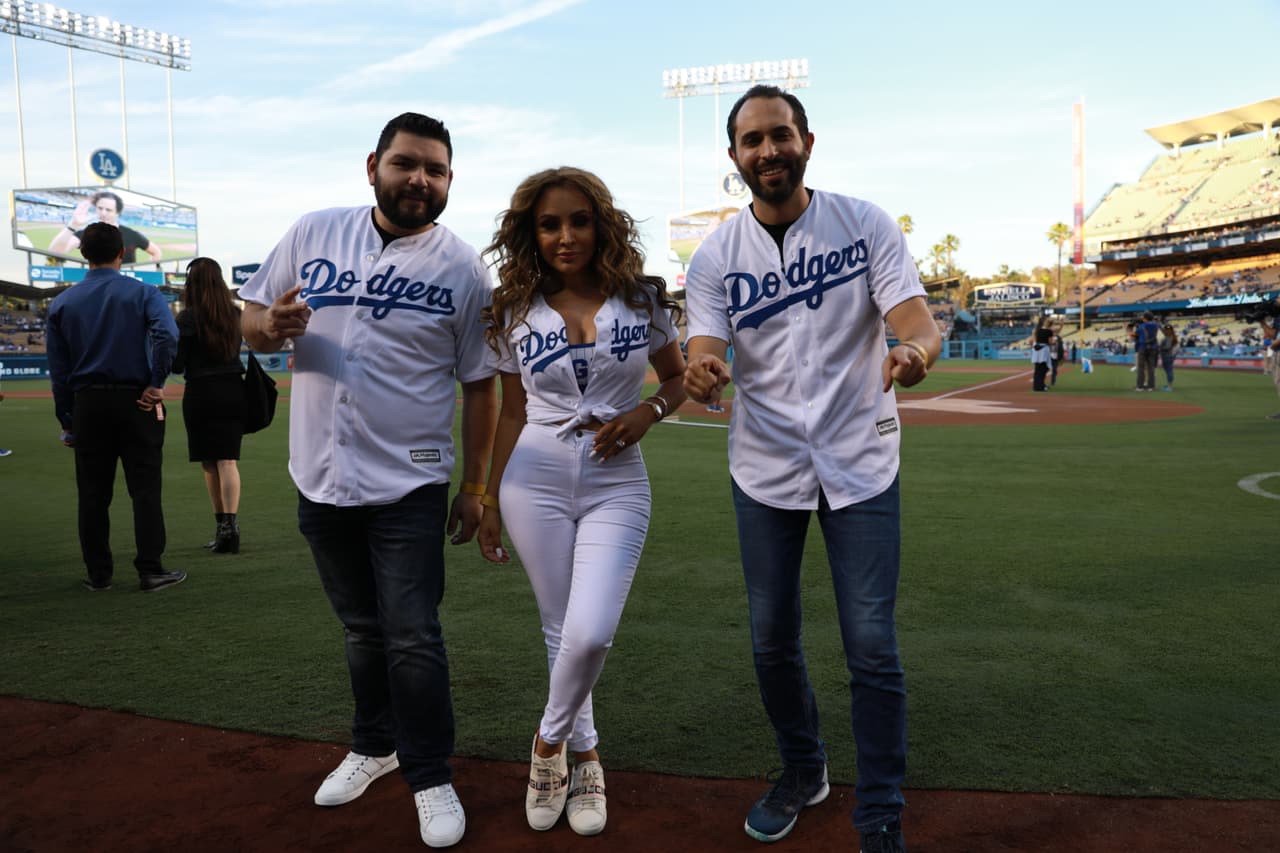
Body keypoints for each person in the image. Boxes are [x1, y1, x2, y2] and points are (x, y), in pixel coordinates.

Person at [682, 84, 939, 853]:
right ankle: (804, 768)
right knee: (771, 639)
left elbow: (913, 316)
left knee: (871, 644)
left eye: (780, 135)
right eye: (753, 140)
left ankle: (881, 809)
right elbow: (705, 347)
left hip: (861, 458)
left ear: (807, 142)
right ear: (734, 157)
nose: (768, 150)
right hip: (764, 466)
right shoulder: (715, 255)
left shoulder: (863, 223)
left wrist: (916, 351)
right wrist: (700, 372)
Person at [238, 112, 496, 850]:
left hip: (408, 480)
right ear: (373, 165)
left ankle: (428, 769)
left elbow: (481, 385)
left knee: (412, 634)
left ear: (449, 181)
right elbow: (251, 322)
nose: (420, 179)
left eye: (436, 170)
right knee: (360, 628)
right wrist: (269, 328)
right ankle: (373, 744)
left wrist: (474, 488)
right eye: (407, 163)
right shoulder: (314, 231)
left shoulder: (462, 267)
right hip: (319, 471)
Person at [476, 167, 687, 837]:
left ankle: (547, 743)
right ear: (530, 235)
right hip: (532, 477)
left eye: (578, 220)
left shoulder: (643, 298)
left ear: (602, 224)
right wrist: (484, 495)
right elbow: (512, 413)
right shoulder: (511, 308)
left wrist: (648, 411)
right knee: (559, 626)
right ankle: (587, 754)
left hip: (617, 480)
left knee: (590, 629)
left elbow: (678, 379)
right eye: (549, 224)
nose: (565, 235)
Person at [45, 222, 185, 593]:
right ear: (122, 252)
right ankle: (150, 570)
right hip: (137, 401)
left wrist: (68, 419)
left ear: (82, 253)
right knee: (145, 489)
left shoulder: (63, 302)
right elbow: (167, 334)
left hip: (88, 403)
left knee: (92, 494)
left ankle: (99, 573)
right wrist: (157, 382)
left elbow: (59, 372)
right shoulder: (143, 292)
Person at [171, 258, 246, 553]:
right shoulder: (234, 313)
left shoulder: (187, 318)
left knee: (209, 463)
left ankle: (222, 529)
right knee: (228, 461)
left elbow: (178, 363)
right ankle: (230, 529)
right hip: (233, 390)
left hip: (202, 392)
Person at [48, 191, 164, 264]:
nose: (103, 213)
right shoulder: (87, 233)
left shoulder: (131, 234)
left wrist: (149, 275)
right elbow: (54, 253)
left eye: (108, 210)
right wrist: (73, 224)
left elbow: (156, 252)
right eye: (100, 208)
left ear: (117, 213)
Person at [1133, 311, 1161, 391]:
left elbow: (1135, 335)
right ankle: (1151, 386)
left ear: (1145, 318)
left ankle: (1140, 386)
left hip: (1143, 347)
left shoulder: (1141, 326)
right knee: (1151, 367)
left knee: (1141, 368)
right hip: (1153, 347)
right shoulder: (1156, 325)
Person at [1031, 319, 1053, 392]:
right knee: (1043, 369)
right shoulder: (1049, 331)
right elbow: (1050, 342)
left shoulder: (1037, 330)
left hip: (1036, 351)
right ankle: (1040, 386)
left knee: (1037, 369)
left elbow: (1033, 340)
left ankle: (1036, 386)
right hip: (1044, 351)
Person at [1158, 323, 1179, 391]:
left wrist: (1159, 348)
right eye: (1166, 329)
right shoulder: (1169, 336)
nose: (1167, 330)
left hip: (1167, 356)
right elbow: (1162, 330)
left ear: (1171, 330)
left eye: (1168, 329)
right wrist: (1158, 324)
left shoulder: (1170, 337)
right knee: (1168, 370)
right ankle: (1169, 385)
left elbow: (1167, 347)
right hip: (1168, 356)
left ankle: (1170, 386)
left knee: (1169, 370)